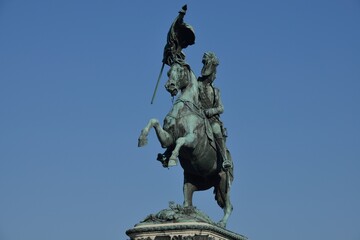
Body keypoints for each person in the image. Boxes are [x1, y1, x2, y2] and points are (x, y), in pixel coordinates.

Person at [198, 52, 232, 170]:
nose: (215, 76)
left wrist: (211, 111)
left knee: (216, 129)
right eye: (214, 73)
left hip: (212, 120)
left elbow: (221, 108)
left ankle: (224, 159)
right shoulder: (196, 86)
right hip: (197, 116)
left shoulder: (216, 91)